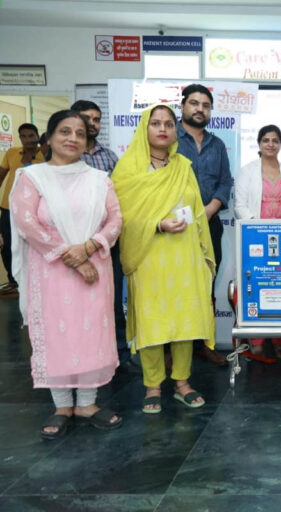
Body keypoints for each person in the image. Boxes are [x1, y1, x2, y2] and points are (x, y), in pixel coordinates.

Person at [10, 110, 123, 439]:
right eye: (65, 131)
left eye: (80, 134)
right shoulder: (32, 178)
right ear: (49, 137)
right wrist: (71, 256)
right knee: (58, 333)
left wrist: (89, 247)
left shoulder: (99, 180)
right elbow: (25, 221)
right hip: (51, 270)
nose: (73, 138)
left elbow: (115, 221)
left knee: (91, 332)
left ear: (88, 142)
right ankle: (62, 405)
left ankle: (87, 403)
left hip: (94, 269)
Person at [112, 104, 215, 413]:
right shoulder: (128, 169)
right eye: (155, 123)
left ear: (175, 130)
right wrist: (157, 224)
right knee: (153, 321)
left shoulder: (182, 165)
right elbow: (120, 216)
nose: (162, 129)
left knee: (185, 320)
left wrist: (201, 251)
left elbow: (196, 209)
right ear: (144, 128)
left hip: (184, 254)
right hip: (148, 254)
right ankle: (153, 384)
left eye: (169, 124)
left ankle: (182, 382)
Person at [71, 99, 138, 375]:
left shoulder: (109, 157)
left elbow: (120, 199)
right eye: (87, 118)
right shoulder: (66, 155)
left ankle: (118, 354)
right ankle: (79, 358)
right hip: (73, 242)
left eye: (97, 119)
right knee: (75, 303)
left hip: (108, 240)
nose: (92, 124)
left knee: (110, 301)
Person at [233, 124, 281, 359]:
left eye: (275, 140)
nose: (271, 144)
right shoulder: (247, 171)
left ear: (280, 144)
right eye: (266, 140)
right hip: (256, 238)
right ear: (259, 144)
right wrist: (257, 227)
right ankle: (257, 338)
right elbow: (240, 205)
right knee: (258, 284)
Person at [176, 84, 232, 367]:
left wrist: (210, 209)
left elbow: (225, 182)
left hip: (209, 224)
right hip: (173, 227)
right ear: (183, 106)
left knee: (206, 287)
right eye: (194, 103)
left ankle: (203, 345)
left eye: (206, 105)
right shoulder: (168, 139)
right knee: (174, 287)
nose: (200, 109)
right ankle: (171, 349)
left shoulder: (217, 144)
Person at [0, 122, 44, 296]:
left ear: (37, 136)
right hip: (8, 208)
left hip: (33, 209)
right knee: (7, 246)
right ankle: (14, 281)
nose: (27, 140)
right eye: (23, 136)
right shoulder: (12, 153)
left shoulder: (45, 154)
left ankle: (34, 281)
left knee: (32, 245)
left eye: (31, 136)